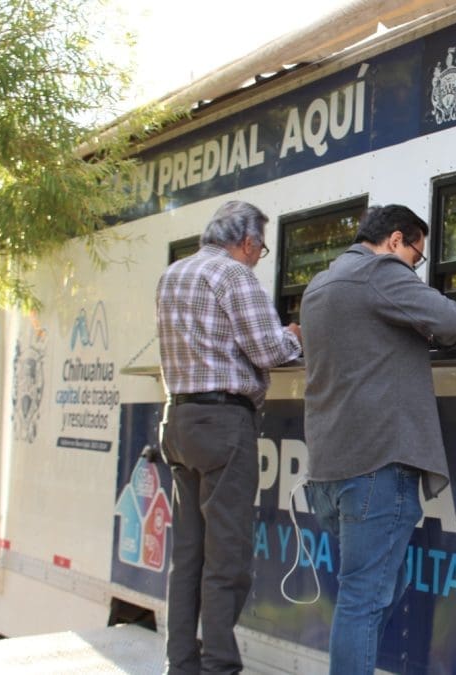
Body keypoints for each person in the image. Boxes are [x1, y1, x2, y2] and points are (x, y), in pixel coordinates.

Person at [300, 204, 456, 674]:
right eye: (416, 257)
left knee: (383, 582)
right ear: (395, 240)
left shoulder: (320, 284)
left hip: (329, 467)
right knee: (364, 598)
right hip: (376, 465)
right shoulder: (378, 271)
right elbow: (446, 322)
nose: (413, 267)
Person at [156, 200, 302, 675]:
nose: (260, 256)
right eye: (260, 246)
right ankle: (219, 666)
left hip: (178, 422)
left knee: (189, 556)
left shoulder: (173, 274)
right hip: (224, 424)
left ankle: (181, 664)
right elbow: (269, 349)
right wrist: (296, 334)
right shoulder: (236, 276)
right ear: (246, 242)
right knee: (228, 558)